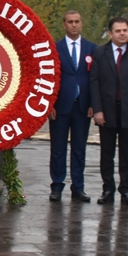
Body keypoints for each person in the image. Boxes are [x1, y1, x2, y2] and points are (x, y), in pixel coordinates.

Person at [88, 17, 128, 207]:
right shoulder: (100, 53)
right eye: (118, 31)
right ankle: (108, 189)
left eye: (125, 30)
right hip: (106, 113)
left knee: (127, 154)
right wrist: (97, 110)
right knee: (106, 154)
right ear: (110, 33)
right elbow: (94, 82)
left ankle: (126, 190)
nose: (122, 33)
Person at [49, 10, 95, 203]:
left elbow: (95, 79)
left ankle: (78, 187)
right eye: (70, 22)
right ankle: (57, 186)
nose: (74, 25)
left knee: (79, 149)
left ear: (81, 23)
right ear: (64, 25)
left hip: (83, 106)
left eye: (77, 21)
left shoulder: (92, 48)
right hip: (60, 106)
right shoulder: (54, 48)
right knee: (58, 148)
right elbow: (49, 76)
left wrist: (94, 103)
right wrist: (49, 103)